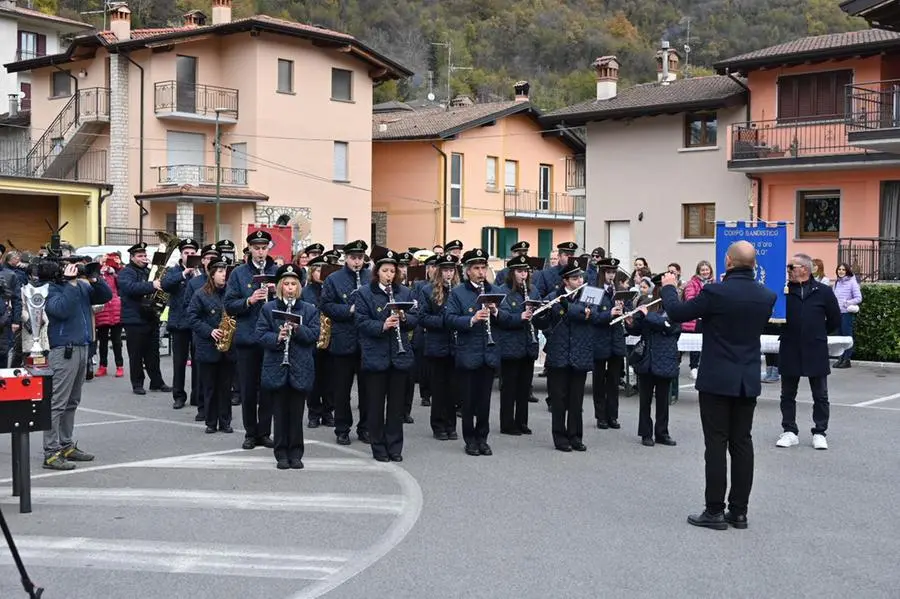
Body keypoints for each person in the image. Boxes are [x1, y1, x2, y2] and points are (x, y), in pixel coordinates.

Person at [661, 240, 776, 530]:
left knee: (715, 443)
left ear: (728, 262)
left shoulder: (716, 292)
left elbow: (678, 313)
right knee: (742, 443)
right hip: (746, 379)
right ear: (753, 265)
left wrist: (668, 287)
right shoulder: (766, 295)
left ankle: (714, 510)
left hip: (716, 379)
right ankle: (739, 512)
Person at [43, 261, 112, 470]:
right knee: (58, 402)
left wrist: (95, 278)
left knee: (72, 401)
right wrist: (70, 284)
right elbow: (61, 310)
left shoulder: (81, 286)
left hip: (82, 346)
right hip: (63, 349)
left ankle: (66, 445)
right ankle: (51, 452)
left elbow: (105, 296)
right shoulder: (51, 289)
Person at [355, 249, 418, 462]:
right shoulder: (365, 293)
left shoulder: (405, 292)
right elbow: (361, 322)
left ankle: (395, 447)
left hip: (399, 356)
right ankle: (379, 447)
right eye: (385, 270)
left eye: (393, 270)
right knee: (375, 404)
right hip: (375, 355)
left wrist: (404, 317)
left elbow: (415, 318)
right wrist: (382, 324)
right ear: (377, 272)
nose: (389, 275)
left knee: (396, 405)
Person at [256, 264, 319, 470]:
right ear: (280, 286)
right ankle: (281, 453)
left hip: (299, 367)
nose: (290, 288)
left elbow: (313, 336)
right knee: (280, 413)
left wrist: (298, 329)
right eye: (286, 284)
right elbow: (260, 334)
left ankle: (296, 452)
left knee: (296, 413)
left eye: (294, 284)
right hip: (277, 366)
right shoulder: (268, 308)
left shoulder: (308, 309)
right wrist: (278, 337)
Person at [775, 254, 841, 451]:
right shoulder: (784, 291)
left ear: (804, 268)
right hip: (790, 346)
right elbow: (774, 316)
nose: (788, 270)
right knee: (787, 394)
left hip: (815, 347)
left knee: (820, 394)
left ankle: (820, 432)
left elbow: (835, 320)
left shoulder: (823, 291)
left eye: (791, 266)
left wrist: (816, 333)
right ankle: (789, 431)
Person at [224, 230, 279, 450]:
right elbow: (229, 304)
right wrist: (248, 300)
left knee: (267, 388)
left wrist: (276, 295)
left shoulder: (276, 271)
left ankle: (264, 432)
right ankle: (250, 432)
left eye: (264, 248)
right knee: (247, 389)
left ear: (268, 249)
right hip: (247, 339)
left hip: (270, 338)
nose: (260, 252)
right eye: (256, 248)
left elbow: (292, 300)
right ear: (250, 249)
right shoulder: (238, 273)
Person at [533, 258, 592, 452]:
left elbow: (594, 315)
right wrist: (538, 314)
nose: (579, 281)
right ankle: (560, 437)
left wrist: (569, 307)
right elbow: (543, 325)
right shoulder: (553, 296)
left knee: (576, 399)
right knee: (559, 398)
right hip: (558, 352)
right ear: (566, 281)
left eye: (580, 277)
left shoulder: (588, 295)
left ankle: (575, 436)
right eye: (575, 278)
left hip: (580, 352)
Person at [445, 248, 500, 456]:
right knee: (468, 401)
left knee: (484, 401)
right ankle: (469, 439)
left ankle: (483, 438)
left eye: (483, 267)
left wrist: (496, 312)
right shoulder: (458, 293)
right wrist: (471, 319)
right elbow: (448, 319)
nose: (480, 272)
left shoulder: (493, 290)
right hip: (468, 353)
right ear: (468, 271)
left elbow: (505, 320)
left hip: (488, 352)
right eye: (476, 268)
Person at [320, 239, 370, 445]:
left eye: (360, 258)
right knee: (342, 390)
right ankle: (342, 428)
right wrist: (348, 309)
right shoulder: (334, 278)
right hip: (343, 341)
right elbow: (326, 305)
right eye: (353, 258)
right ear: (346, 258)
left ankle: (366, 427)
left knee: (368, 389)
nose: (357, 262)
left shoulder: (371, 277)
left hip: (367, 342)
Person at [625, 274, 680, 447]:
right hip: (647, 358)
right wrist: (630, 323)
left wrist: (648, 315)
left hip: (665, 358)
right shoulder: (647, 307)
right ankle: (646, 433)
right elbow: (637, 330)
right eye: (659, 290)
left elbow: (669, 328)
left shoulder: (675, 309)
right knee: (645, 400)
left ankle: (662, 433)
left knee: (663, 400)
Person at [187, 256, 235, 435]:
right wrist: (210, 331)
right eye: (221, 272)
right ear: (212, 274)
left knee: (225, 387)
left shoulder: (232, 293)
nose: (224, 275)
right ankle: (210, 421)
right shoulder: (200, 294)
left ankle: (225, 421)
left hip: (228, 348)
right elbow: (192, 317)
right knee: (209, 387)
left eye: (226, 272)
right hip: (208, 347)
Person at [117, 242, 172, 395]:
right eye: (140, 256)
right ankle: (137, 383)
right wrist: (151, 285)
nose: (144, 258)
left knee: (153, 354)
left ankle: (156, 382)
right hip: (134, 319)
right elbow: (129, 288)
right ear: (132, 257)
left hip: (150, 317)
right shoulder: (126, 272)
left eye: (145, 255)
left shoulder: (149, 271)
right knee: (136, 354)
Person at [417, 254, 460, 440]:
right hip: (437, 344)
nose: (449, 274)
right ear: (439, 271)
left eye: (451, 270)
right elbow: (422, 317)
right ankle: (438, 425)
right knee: (439, 388)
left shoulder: (459, 290)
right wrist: (444, 320)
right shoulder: (428, 291)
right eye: (445, 270)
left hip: (456, 345)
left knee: (454, 388)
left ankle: (451, 425)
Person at [495, 255, 539, 435]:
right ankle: (507, 423)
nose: (524, 275)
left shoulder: (533, 290)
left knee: (524, 386)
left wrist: (539, 312)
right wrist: (518, 317)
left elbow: (539, 313)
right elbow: (500, 317)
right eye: (520, 271)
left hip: (528, 343)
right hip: (510, 344)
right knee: (509, 387)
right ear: (512, 273)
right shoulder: (502, 291)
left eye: (526, 271)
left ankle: (522, 421)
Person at [184, 244, 224, 422]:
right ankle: (203, 409)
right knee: (203, 377)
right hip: (203, 337)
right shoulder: (195, 285)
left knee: (222, 382)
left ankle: (222, 417)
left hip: (224, 342)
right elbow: (190, 311)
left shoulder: (228, 289)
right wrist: (208, 331)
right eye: (207, 257)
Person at [161, 238, 200, 410]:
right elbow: (165, 285)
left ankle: (197, 395)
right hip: (179, 323)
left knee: (198, 361)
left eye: (192, 253)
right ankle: (178, 395)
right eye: (186, 253)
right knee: (179, 362)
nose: (190, 256)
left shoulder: (201, 273)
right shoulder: (174, 271)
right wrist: (184, 274)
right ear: (181, 255)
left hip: (197, 324)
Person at [591, 257, 627, 430]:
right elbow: (591, 317)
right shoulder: (593, 290)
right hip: (599, 339)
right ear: (602, 273)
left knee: (614, 380)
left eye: (613, 272)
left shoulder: (619, 290)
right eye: (608, 272)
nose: (611, 276)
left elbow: (624, 314)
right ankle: (601, 416)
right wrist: (609, 314)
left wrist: (624, 312)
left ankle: (613, 415)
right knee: (599, 380)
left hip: (616, 340)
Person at [300, 256, 334, 429]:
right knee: (312, 379)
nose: (321, 273)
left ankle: (328, 412)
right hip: (312, 340)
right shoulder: (305, 292)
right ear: (311, 272)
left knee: (329, 379)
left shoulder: (331, 289)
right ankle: (313, 413)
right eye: (318, 270)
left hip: (330, 340)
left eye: (324, 270)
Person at [682, 260, 713, 380]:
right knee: (694, 344)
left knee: (708, 343)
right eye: (703, 270)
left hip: (709, 317)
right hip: (696, 319)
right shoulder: (692, 283)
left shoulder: (713, 283)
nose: (705, 272)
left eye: (707, 269)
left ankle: (706, 367)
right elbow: (690, 299)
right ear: (698, 271)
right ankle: (693, 368)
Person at [94, 252, 124, 378]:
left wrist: (115, 272)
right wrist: (99, 272)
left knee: (117, 341)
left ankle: (119, 366)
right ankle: (103, 366)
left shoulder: (116, 273)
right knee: (103, 341)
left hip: (116, 309)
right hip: (102, 310)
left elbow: (122, 285)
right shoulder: (98, 275)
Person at [832, 262, 862, 369]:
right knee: (840, 337)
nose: (841, 271)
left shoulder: (852, 282)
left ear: (847, 271)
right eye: (839, 269)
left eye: (843, 270)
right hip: (837, 313)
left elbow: (859, 298)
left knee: (847, 336)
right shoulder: (837, 283)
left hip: (847, 313)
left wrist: (847, 302)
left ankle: (847, 359)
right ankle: (841, 358)